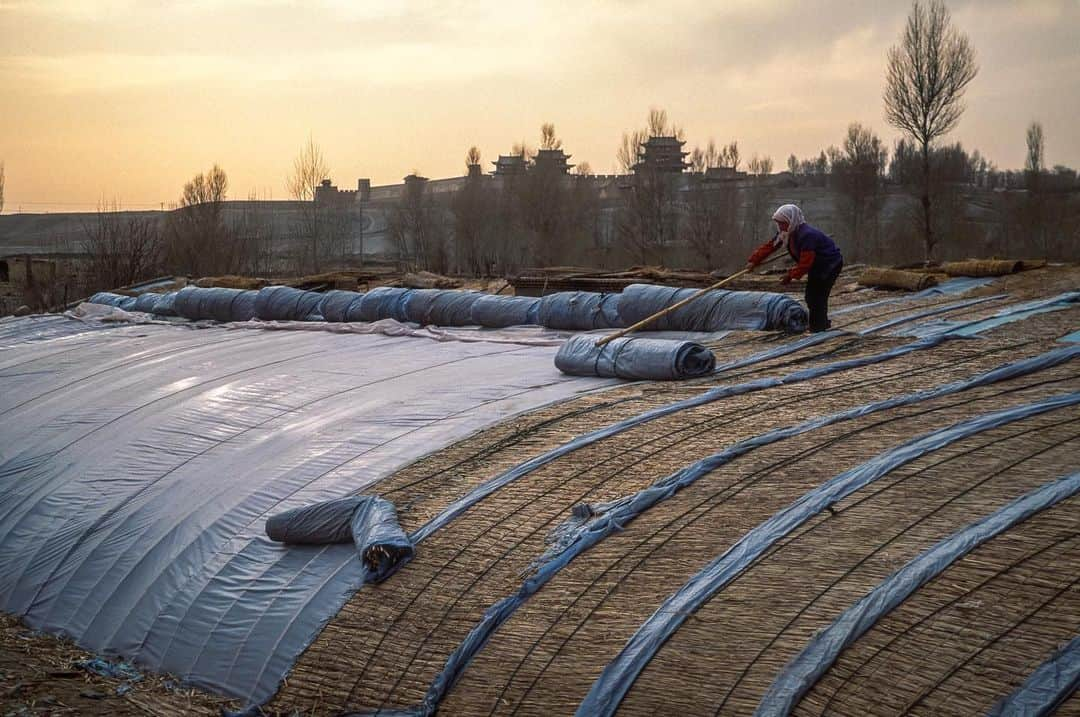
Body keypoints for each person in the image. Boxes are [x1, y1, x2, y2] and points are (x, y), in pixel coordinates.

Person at [746, 204, 843, 332]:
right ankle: (820, 324)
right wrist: (754, 260)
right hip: (816, 265)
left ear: (791, 221)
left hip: (829, 264)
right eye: (778, 223)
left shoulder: (807, 235)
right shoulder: (785, 234)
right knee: (812, 296)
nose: (780, 226)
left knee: (817, 295)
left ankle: (818, 327)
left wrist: (790, 275)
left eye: (782, 223)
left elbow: (805, 264)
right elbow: (770, 246)